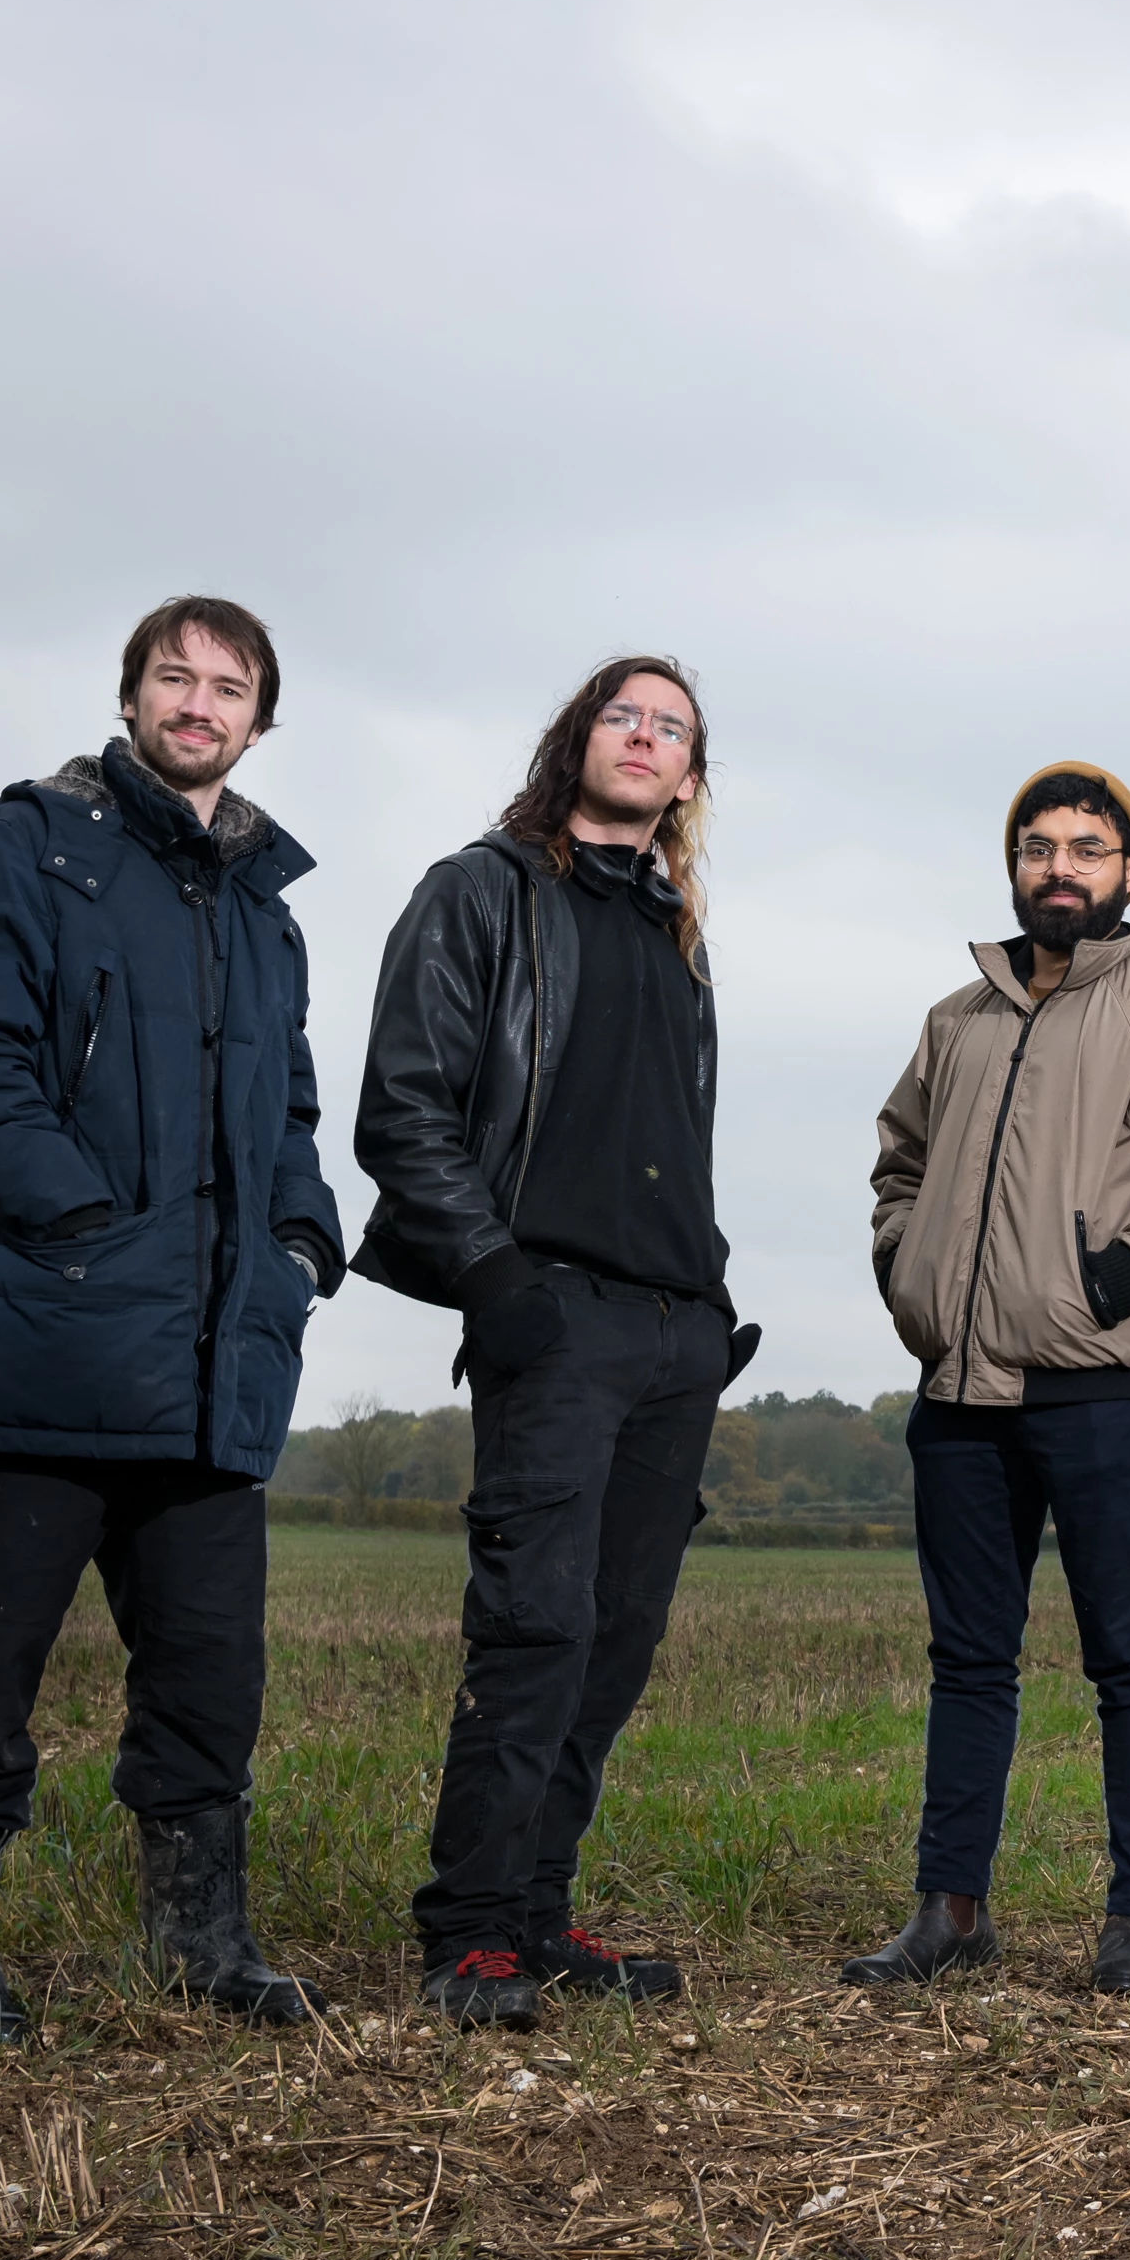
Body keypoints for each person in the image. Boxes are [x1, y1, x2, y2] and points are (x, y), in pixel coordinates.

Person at [0, 595, 345, 2042]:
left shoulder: (267, 912)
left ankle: (202, 1948)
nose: (199, 703)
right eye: (175, 676)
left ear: (260, 719)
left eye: (229, 686)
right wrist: (82, 1226)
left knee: (211, 1687)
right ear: (132, 693)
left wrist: (299, 1240)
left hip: (220, 1377)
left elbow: (288, 1112)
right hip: (56, 1349)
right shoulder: (28, 847)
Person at [354, 657, 759, 2030]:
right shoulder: (483, 891)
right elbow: (403, 1105)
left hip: (674, 1335)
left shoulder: (676, 935)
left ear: (691, 779)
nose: (644, 738)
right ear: (577, 740)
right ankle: (468, 1935)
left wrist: (707, 1312)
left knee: (615, 1640)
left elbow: (660, 1142)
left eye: (673, 730)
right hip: (554, 1320)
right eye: (622, 715)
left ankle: (537, 1913)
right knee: (533, 1630)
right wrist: (493, 1279)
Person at [851, 764, 1130, 1995]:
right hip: (957, 1396)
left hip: (1098, 1389)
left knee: (1128, 1659)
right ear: (1015, 867)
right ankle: (950, 1908)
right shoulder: (957, 1020)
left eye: (1088, 849)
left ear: (1129, 873)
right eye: (1040, 848)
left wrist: (1118, 1279)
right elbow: (899, 1168)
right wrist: (910, 1270)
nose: (1061, 868)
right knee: (968, 1661)